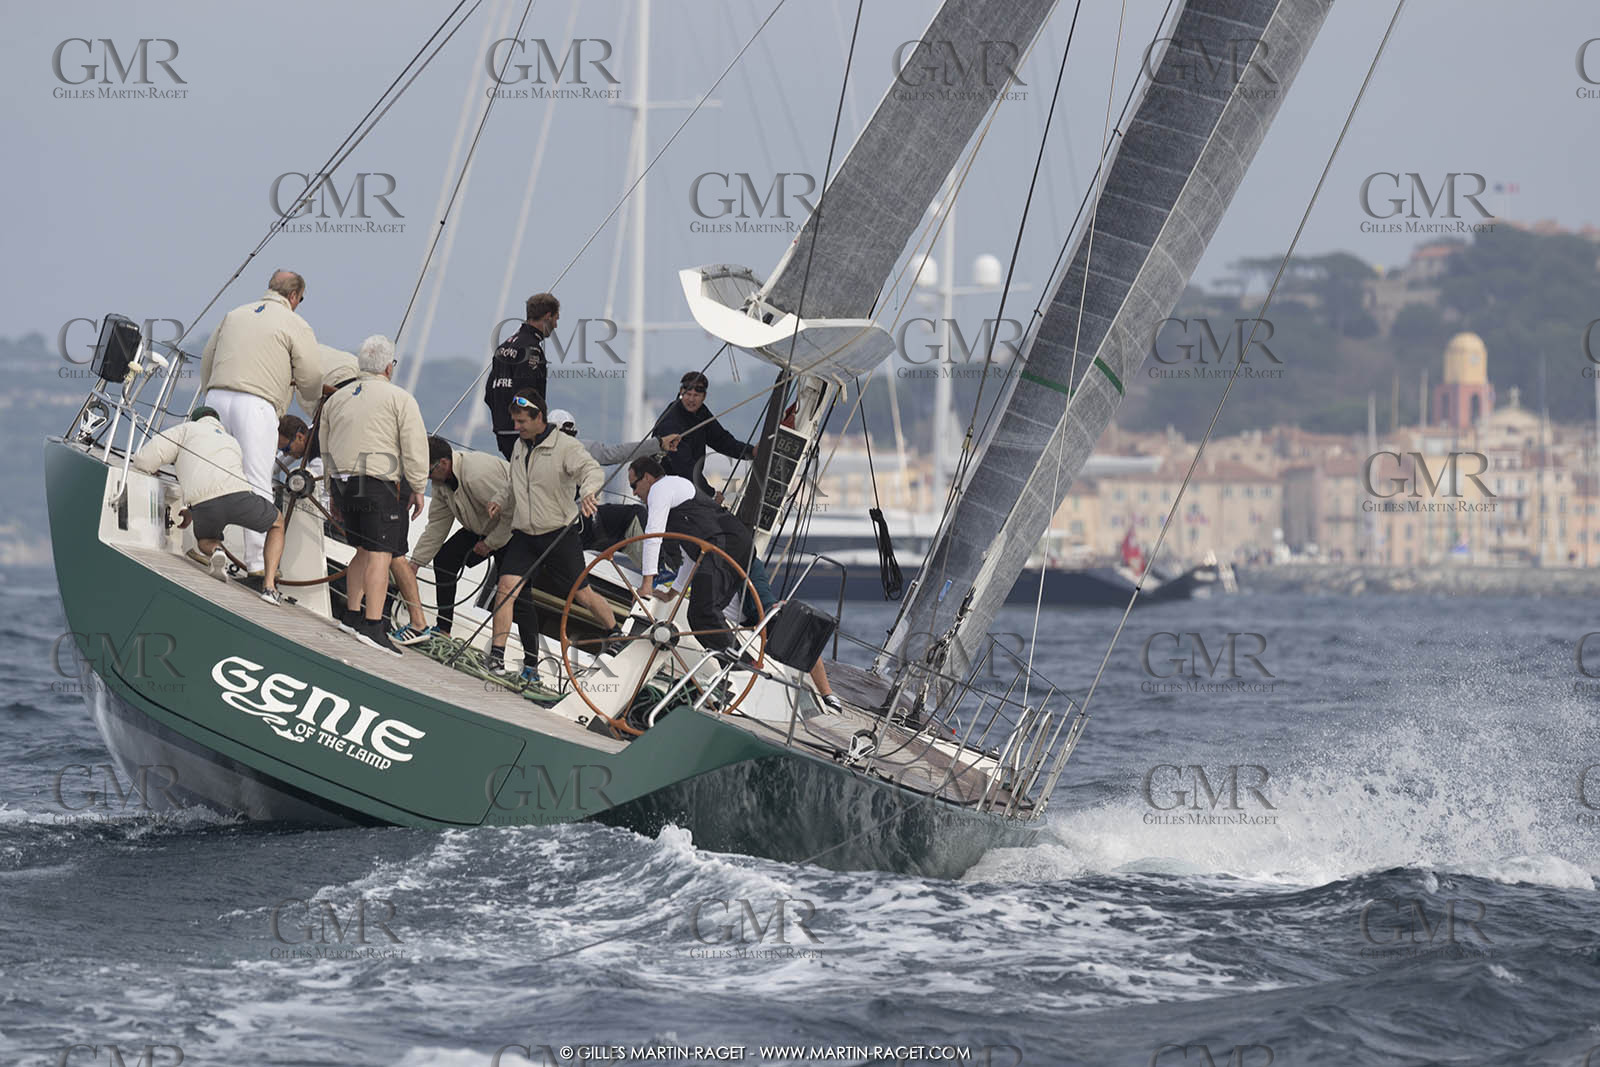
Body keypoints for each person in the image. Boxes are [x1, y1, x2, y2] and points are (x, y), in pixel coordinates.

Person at [482, 390, 620, 681]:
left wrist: (588, 492)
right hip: (524, 534)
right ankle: (496, 655)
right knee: (506, 587)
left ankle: (615, 632)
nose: (517, 427)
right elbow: (512, 482)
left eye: (521, 421)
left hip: (558, 534)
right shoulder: (520, 446)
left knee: (582, 594)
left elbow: (591, 470)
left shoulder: (565, 447)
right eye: (515, 421)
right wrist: (499, 499)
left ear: (538, 418)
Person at [199, 269, 323, 581]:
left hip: (216, 395)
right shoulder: (296, 324)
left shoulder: (235, 314)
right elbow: (310, 376)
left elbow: (207, 357)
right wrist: (309, 403)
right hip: (256, 405)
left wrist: (209, 393)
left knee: (212, 471)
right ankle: (255, 561)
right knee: (256, 479)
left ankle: (209, 543)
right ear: (294, 297)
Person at [319, 335, 427, 657]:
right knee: (381, 553)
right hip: (376, 480)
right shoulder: (399, 398)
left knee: (363, 550)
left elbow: (325, 445)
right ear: (389, 367)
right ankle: (372, 625)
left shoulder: (337, 399)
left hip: (343, 481)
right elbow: (414, 446)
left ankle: (351, 615)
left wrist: (331, 487)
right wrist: (419, 487)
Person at [133, 407, 290, 605]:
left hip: (204, 505)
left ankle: (217, 551)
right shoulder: (231, 441)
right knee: (277, 523)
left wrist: (190, 510)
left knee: (205, 540)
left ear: (195, 419)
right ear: (217, 422)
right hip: (238, 497)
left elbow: (145, 459)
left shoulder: (186, 429)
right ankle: (269, 587)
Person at [627, 456, 756, 654]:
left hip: (725, 546)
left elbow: (653, 536)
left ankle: (741, 665)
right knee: (700, 616)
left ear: (648, 478)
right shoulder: (676, 499)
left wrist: (646, 585)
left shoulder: (661, 489)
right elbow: (690, 557)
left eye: (634, 485)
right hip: (732, 546)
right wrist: (671, 594)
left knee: (703, 612)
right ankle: (733, 662)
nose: (634, 493)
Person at [401, 436, 513, 636]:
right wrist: (415, 564)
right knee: (445, 560)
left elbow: (513, 513)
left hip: (513, 532)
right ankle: (443, 629)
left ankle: (522, 659)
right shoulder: (441, 482)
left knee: (514, 593)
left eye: (427, 472)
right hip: (481, 527)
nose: (427, 478)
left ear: (443, 464)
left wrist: (490, 544)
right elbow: (437, 524)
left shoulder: (477, 476)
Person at [545, 407, 680, 549]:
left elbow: (617, 453)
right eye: (561, 434)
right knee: (626, 517)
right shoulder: (537, 454)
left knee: (634, 513)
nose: (565, 440)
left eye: (570, 435)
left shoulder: (581, 449)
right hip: (560, 529)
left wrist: (657, 444)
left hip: (577, 523)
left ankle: (657, 564)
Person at [650, 371, 754, 501]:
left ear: (704, 396)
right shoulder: (671, 423)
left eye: (696, 395)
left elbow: (722, 441)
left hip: (686, 487)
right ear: (681, 392)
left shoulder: (701, 413)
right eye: (688, 394)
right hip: (666, 490)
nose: (691, 399)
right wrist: (711, 495)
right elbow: (685, 467)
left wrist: (751, 451)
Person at [485, 293, 558, 459]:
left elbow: (490, 392)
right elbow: (528, 394)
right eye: (556, 319)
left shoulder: (503, 347)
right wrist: (534, 428)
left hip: (502, 430)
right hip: (522, 433)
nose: (556, 325)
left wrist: (501, 418)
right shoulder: (531, 350)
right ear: (547, 316)